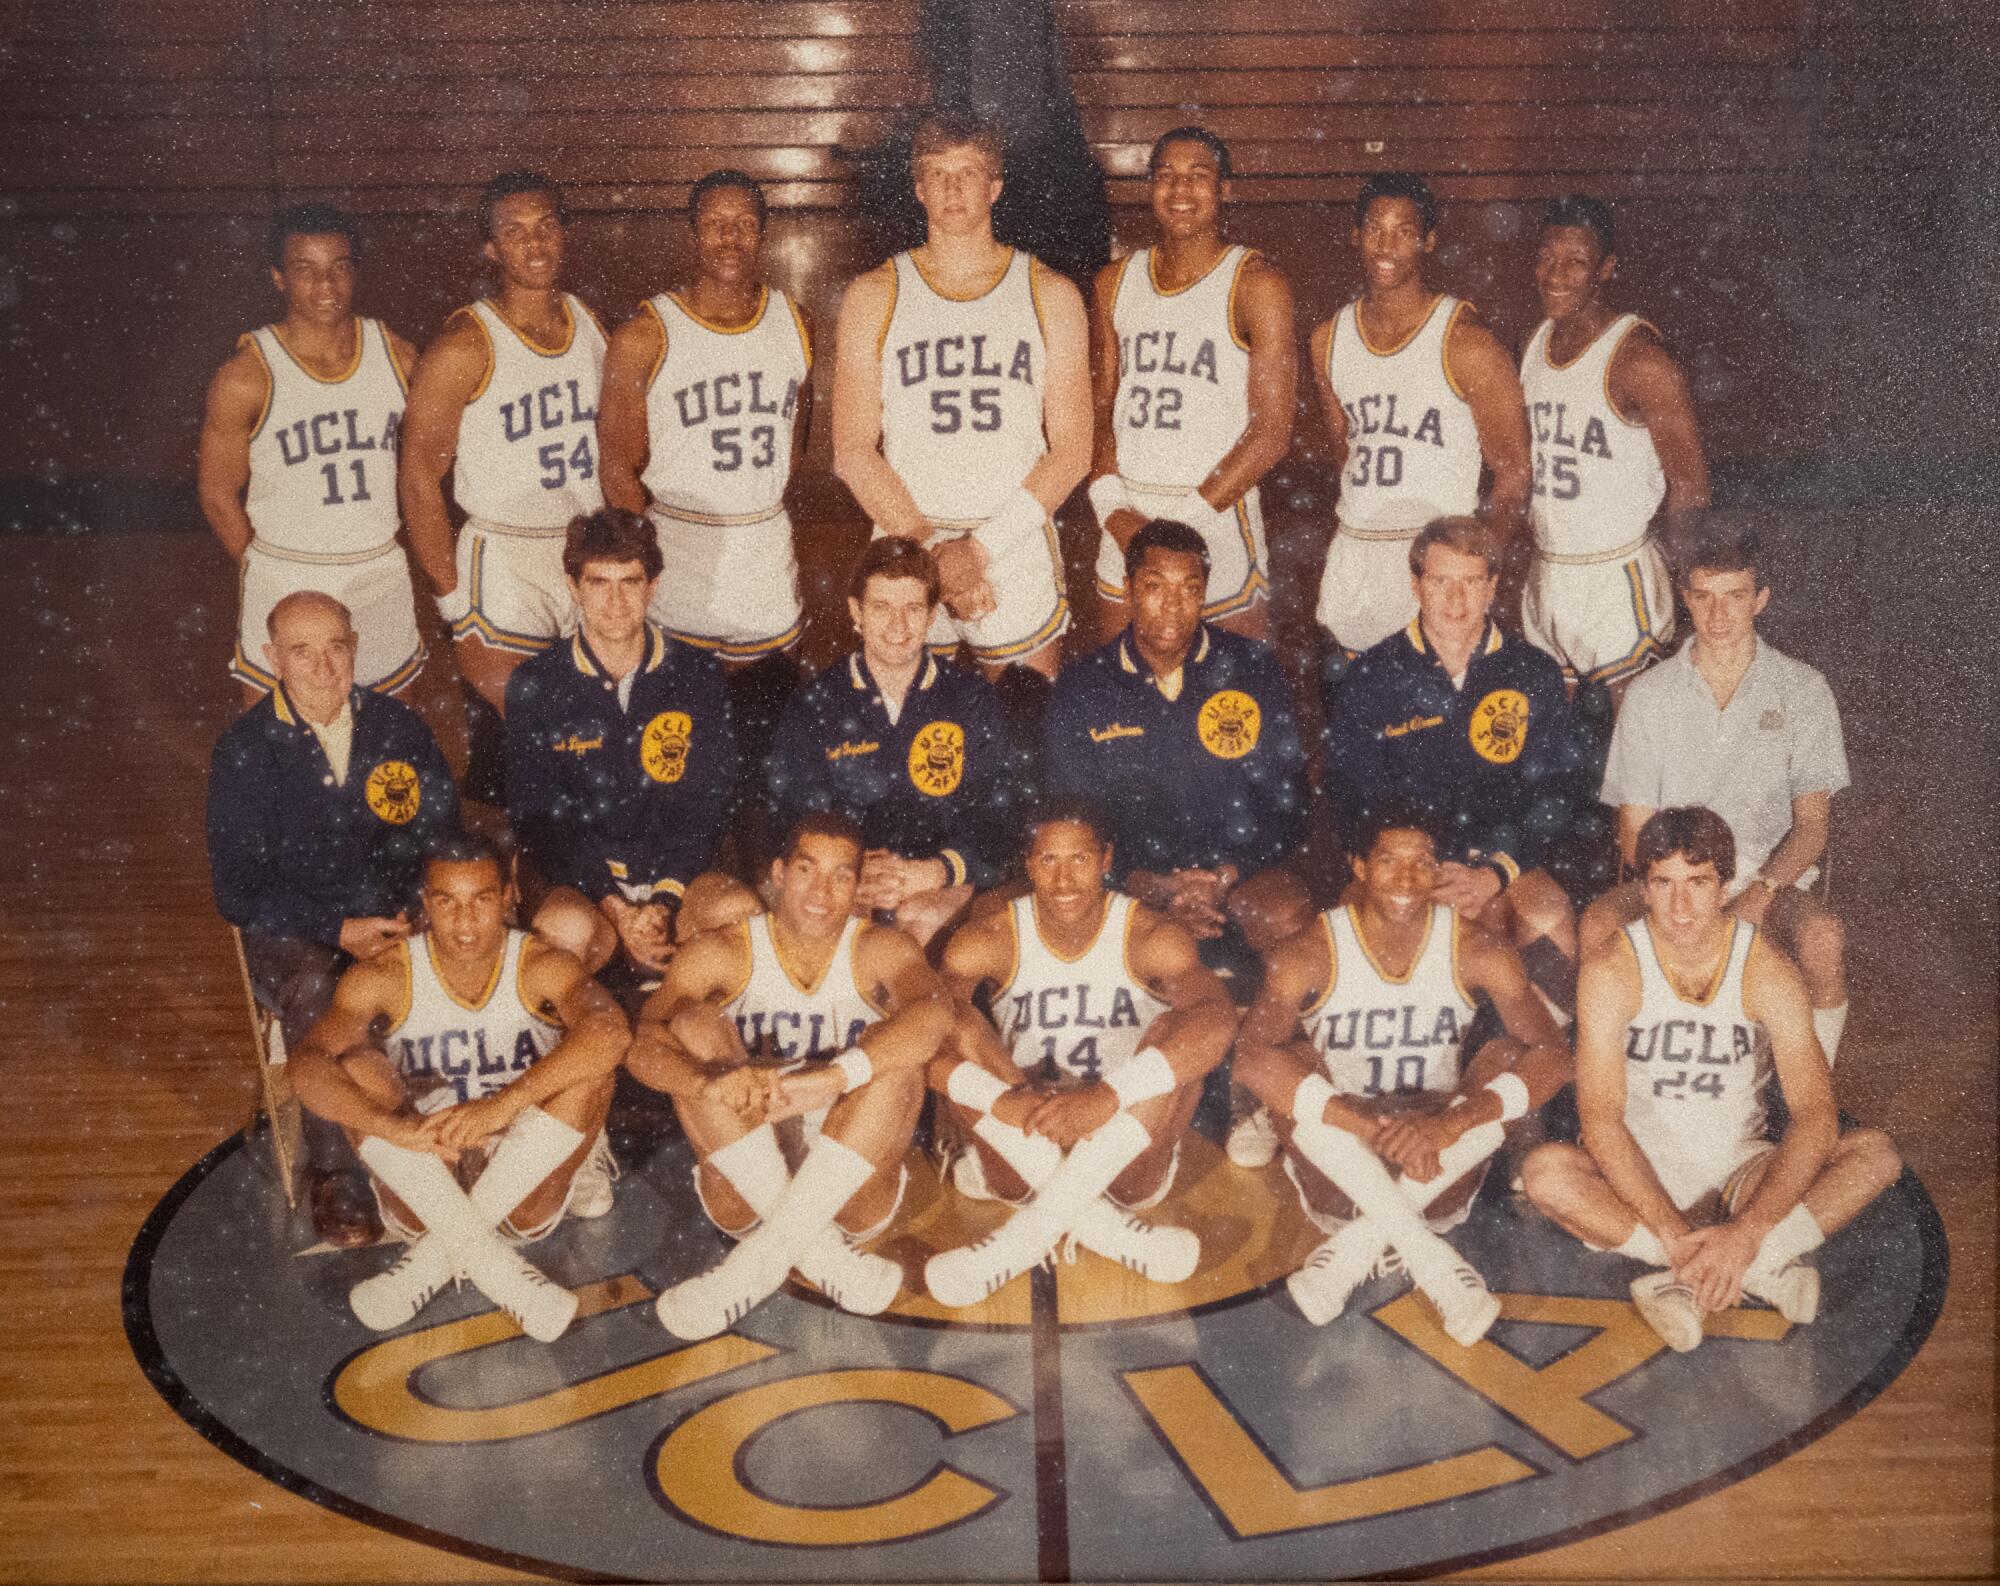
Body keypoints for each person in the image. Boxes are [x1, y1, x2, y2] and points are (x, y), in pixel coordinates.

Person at [1522, 808, 1900, 1352]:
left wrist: (1746, 1232)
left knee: (1876, 1157)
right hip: (1639, 1176)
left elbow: (1816, 1115)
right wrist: (1676, 1235)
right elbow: (1601, 1121)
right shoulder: (1611, 968)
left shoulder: (1766, 968)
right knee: (1547, 1174)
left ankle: (1705, 1276)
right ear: (1643, 888)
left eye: (1697, 883)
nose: (1679, 906)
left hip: (1739, 1169)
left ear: (1725, 886)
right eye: (1664, 883)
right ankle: (1753, 1270)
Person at [1233, 804, 1571, 1345]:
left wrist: (1448, 1127)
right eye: (1390, 862)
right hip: (1341, 1163)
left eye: (1422, 863)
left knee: (1510, 1054)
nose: (1407, 880)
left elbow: (1553, 1055)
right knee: (1287, 1058)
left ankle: (1349, 1258)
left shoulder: (1477, 946)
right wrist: (1370, 1130)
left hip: (1437, 1165)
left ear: (1439, 870)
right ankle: (1438, 1270)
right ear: (1360, 868)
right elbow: (1250, 1058)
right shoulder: (1311, 949)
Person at [288, 833, 631, 1343]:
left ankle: (428, 1268)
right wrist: (393, 1130)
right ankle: (507, 1278)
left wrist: (501, 1107)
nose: (465, 922)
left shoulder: (540, 962)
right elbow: (305, 1066)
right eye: (447, 902)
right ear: (425, 903)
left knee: (593, 1066)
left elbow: (611, 1033)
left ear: (510, 895)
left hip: (523, 1173)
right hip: (428, 1170)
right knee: (357, 1066)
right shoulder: (385, 974)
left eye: (481, 900)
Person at [628, 813, 954, 1338]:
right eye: (807, 870)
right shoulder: (723, 950)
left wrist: (833, 1078)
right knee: (690, 1025)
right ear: (778, 874)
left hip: (849, 1182)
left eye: (841, 876)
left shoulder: (879, 947)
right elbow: (641, 1045)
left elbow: (937, 1015)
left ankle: (746, 1275)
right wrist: (706, 1084)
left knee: (900, 1057)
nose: (822, 891)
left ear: (857, 886)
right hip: (747, 1158)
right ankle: (827, 1261)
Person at [206, 591, 459, 1247]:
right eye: (301, 651)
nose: (322, 668)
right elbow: (238, 891)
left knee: (469, 931)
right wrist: (336, 929)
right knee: (318, 983)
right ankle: (337, 1174)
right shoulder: (245, 750)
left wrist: (416, 909)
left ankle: (459, 1125)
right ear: (271, 660)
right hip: (295, 938)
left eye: (335, 648)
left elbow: (440, 834)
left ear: (355, 647)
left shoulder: (399, 730)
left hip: (392, 923)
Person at [922, 798, 1239, 1304]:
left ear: (1107, 859)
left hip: (1124, 1147)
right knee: (947, 1018)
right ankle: (1109, 1233)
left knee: (1176, 1025)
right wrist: (1005, 1102)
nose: (1064, 881)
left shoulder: (1150, 934)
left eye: (1080, 860)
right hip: (1022, 1135)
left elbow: (1218, 1023)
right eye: (1049, 860)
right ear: (1029, 863)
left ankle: (1019, 1242)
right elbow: (922, 1043)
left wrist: (1109, 1098)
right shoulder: (989, 936)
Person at [831, 109, 1091, 682]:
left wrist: (975, 553)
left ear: (995, 186)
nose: (952, 187)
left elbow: (1073, 452)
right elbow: (851, 450)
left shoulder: (1050, 292)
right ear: (918, 187)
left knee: (1024, 724)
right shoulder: (875, 293)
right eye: (937, 173)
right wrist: (934, 554)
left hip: (1012, 538)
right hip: (906, 535)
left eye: (968, 172)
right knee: (910, 735)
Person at [1587, 526, 1852, 1064]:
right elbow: (1633, 827)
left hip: (1765, 878)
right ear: (1686, 599)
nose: (1719, 615)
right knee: (1596, 924)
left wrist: (1759, 892)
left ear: (1760, 600)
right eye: (1704, 597)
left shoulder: (1804, 689)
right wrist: (1677, 892)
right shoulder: (1649, 694)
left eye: (1735, 597)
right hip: (1672, 874)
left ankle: (1811, 1092)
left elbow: (1812, 827)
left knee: (1823, 938)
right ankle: (1613, 1084)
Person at [1327, 517, 1579, 1011]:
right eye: (1441, 582)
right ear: (1417, 585)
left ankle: (1546, 1054)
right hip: (1408, 862)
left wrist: (1495, 872)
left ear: (1492, 588)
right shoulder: (1374, 674)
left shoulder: (1532, 671)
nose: (1456, 600)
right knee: (1364, 924)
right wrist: (1419, 868)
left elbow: (1560, 793)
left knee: (1547, 914)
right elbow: (1349, 794)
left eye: (1471, 583)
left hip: (1504, 862)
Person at [1044, 519, 1313, 956]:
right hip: (1135, 880)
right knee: (1120, 934)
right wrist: (1147, 883)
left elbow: (1290, 800)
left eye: (1189, 589)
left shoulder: (1252, 669)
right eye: (1155, 587)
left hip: (1237, 875)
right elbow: (1072, 815)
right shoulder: (1083, 686)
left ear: (1203, 594)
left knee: (1285, 915)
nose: (1172, 606)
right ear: (1128, 591)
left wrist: (1230, 872)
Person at [400, 170, 607, 732]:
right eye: (514, 232)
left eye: (545, 226)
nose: (534, 243)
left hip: (578, 554)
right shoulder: (464, 346)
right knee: (528, 736)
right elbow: (419, 479)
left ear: (564, 232)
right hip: (504, 560)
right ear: (490, 248)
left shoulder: (590, 326)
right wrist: (453, 606)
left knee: (592, 734)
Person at [198, 202, 425, 703]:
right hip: (286, 568)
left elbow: (443, 444)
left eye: (339, 267)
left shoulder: (396, 354)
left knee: (388, 734)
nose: (326, 285)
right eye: (306, 270)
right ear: (278, 278)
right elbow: (217, 493)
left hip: (376, 568)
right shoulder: (245, 375)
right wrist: (265, 569)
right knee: (280, 741)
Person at [504, 508, 740, 982]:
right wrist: (616, 908)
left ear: (652, 586)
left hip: (677, 881)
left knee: (740, 915)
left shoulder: (698, 676)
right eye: (598, 583)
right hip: (589, 890)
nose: (615, 601)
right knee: (563, 929)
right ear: (574, 587)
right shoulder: (536, 683)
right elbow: (541, 818)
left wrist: (664, 901)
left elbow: (706, 803)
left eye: (629, 582)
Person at [597, 169, 814, 667]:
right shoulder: (644, 334)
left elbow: (795, 441)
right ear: (692, 233)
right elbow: (617, 468)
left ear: (762, 232)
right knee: (676, 734)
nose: (730, 237)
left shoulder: (795, 321)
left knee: (767, 720)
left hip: (764, 556)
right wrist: (647, 568)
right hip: (680, 552)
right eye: (715, 223)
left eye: (743, 223)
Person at [1087, 126, 1295, 642]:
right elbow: (1102, 407)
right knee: (1126, 695)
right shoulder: (1114, 281)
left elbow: (1271, 432)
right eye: (1166, 177)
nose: (1180, 191)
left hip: (1216, 519)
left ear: (1225, 189)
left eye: (1198, 177)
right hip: (1128, 519)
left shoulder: (1256, 283)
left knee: (1229, 705)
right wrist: (1112, 510)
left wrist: (1182, 525)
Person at [1311, 172, 1531, 660]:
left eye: (1404, 230)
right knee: (1358, 723)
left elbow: (1514, 472)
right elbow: (1343, 451)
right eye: (1374, 229)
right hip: (1358, 559)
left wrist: (1476, 573)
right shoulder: (1327, 339)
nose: (1386, 245)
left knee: (1435, 726)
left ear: (1428, 241)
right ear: (1355, 236)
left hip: (1435, 562)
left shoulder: (1466, 342)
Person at [766, 538, 1022, 945]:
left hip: (939, 875)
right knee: (850, 930)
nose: (898, 627)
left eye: (913, 609)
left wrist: (938, 870)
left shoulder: (969, 697)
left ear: (932, 614)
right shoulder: (818, 701)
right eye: (882, 608)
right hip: (847, 875)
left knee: (919, 921)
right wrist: (848, 869)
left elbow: (1001, 809)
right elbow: (794, 806)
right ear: (857, 611)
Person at [1520, 194, 1710, 700]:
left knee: (1635, 753)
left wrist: (1691, 589)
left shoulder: (1641, 362)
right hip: (1551, 572)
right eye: (1546, 258)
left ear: (1606, 269)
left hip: (1616, 576)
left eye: (1576, 263)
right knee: (1549, 752)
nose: (1555, 275)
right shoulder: (1533, 344)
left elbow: (1689, 484)